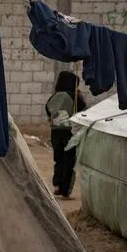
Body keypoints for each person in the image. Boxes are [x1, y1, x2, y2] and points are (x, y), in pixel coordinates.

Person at [45, 70, 86, 199]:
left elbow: (47, 108)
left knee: (58, 159)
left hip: (56, 132)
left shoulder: (54, 96)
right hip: (70, 132)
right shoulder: (73, 96)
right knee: (69, 160)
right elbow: (82, 106)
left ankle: (57, 185)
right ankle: (65, 190)